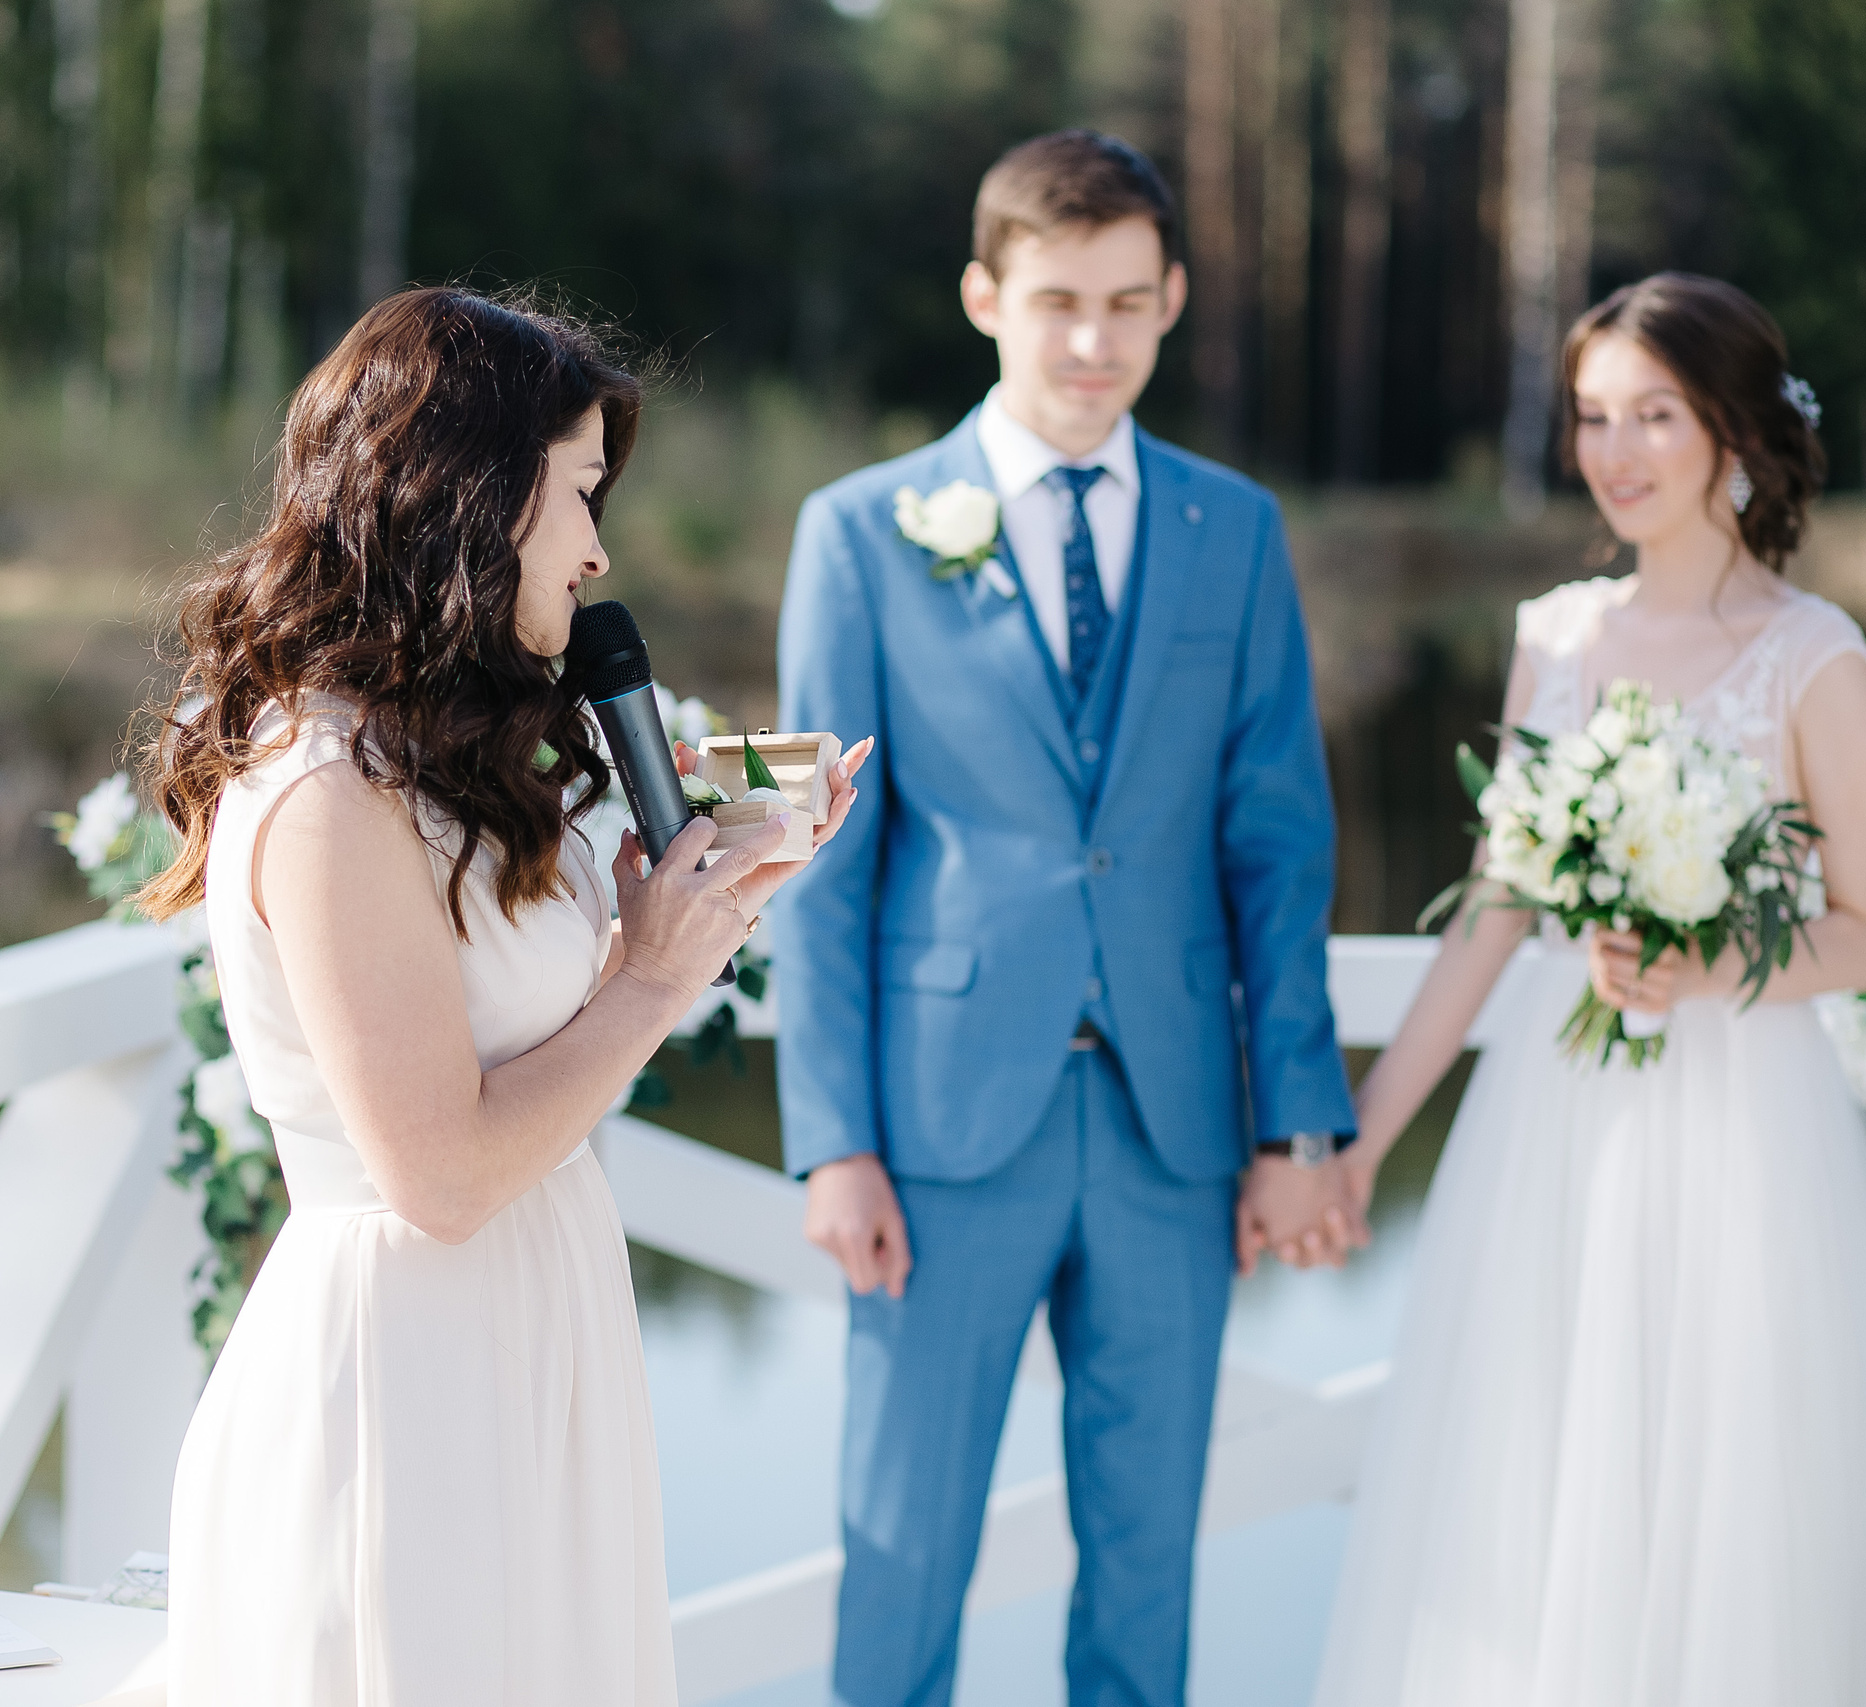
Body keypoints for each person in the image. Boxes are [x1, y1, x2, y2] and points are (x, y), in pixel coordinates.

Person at [137, 288, 867, 1706]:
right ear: (467, 499)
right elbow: (443, 1174)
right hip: (407, 1375)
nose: (598, 551)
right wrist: (652, 979)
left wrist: (707, 906)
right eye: (579, 495)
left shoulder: (441, 760)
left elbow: (542, 1036)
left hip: (534, 1328)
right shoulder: (328, 788)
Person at [1313, 273, 1866, 1704]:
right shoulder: (1554, 635)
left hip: (1746, 1139)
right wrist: (1362, 1140)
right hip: (1553, 1133)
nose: (1614, 451)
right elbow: (1491, 914)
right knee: (1540, 1500)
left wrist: (1709, 964)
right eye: (1592, 416)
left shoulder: (1817, 659)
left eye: (1653, 415)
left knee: (1732, 1506)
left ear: (1734, 428)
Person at [774, 129, 1358, 1707]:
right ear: (986, 297)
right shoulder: (861, 530)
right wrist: (833, 1140)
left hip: (1178, 1129)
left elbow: (1278, 849)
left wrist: (1297, 1123)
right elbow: (822, 866)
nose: (1093, 342)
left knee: (1147, 1571)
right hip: (937, 1135)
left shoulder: (1235, 530)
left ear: (1173, 301)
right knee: (902, 1560)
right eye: (1057, 303)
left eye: (1126, 303)